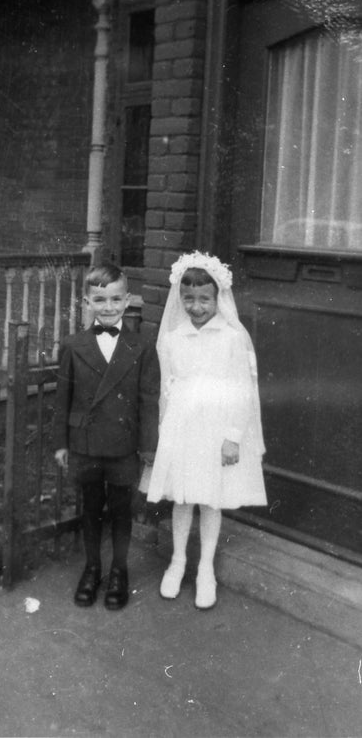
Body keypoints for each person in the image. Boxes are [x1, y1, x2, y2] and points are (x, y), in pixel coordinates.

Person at [141, 251, 267, 610]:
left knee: (211, 498)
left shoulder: (231, 337)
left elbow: (243, 390)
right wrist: (161, 433)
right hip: (180, 425)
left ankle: (205, 568)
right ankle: (178, 559)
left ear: (218, 298)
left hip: (215, 428)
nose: (196, 307)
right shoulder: (173, 337)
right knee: (182, 496)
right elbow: (165, 386)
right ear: (180, 298)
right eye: (189, 299)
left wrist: (232, 436)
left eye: (204, 299)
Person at [54, 263, 160, 610]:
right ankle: (92, 568)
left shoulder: (142, 346)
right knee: (89, 507)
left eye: (116, 299)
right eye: (100, 299)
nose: (109, 306)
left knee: (120, 510)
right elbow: (62, 399)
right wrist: (61, 443)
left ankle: (119, 571)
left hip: (123, 444)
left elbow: (148, 400)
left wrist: (147, 446)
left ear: (128, 300)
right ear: (87, 301)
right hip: (85, 442)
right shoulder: (73, 345)